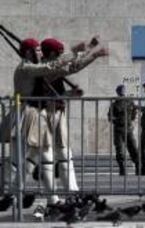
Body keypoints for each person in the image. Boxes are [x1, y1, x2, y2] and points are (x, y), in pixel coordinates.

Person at [12, 37, 108, 205]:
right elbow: (70, 66)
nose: (40, 53)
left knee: (55, 155)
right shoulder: (40, 68)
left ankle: (65, 195)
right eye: (57, 54)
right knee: (43, 156)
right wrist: (86, 52)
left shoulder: (44, 67)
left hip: (54, 112)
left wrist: (90, 51)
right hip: (40, 114)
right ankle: (42, 197)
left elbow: (68, 70)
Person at [40, 38, 86, 193]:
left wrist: (71, 93)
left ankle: (72, 190)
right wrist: (91, 51)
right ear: (52, 53)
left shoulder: (52, 68)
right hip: (44, 113)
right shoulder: (43, 68)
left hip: (58, 111)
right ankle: (51, 196)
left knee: (64, 151)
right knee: (46, 154)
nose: (60, 56)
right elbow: (73, 67)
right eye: (58, 54)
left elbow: (59, 93)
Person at [108, 85, 140, 176]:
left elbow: (134, 114)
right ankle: (122, 169)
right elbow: (110, 117)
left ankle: (137, 167)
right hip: (120, 130)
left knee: (132, 148)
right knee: (121, 150)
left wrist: (126, 121)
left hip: (127, 129)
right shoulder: (116, 104)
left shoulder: (130, 102)